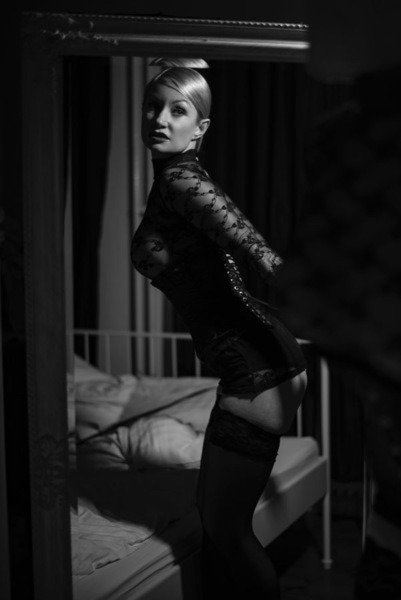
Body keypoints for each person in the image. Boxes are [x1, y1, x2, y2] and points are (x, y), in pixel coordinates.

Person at [130, 60, 308, 599]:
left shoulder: (181, 179)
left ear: (200, 128)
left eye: (177, 110)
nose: (160, 119)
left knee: (227, 533)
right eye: (153, 107)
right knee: (218, 527)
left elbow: (255, 248)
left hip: (256, 366)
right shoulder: (176, 180)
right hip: (256, 359)